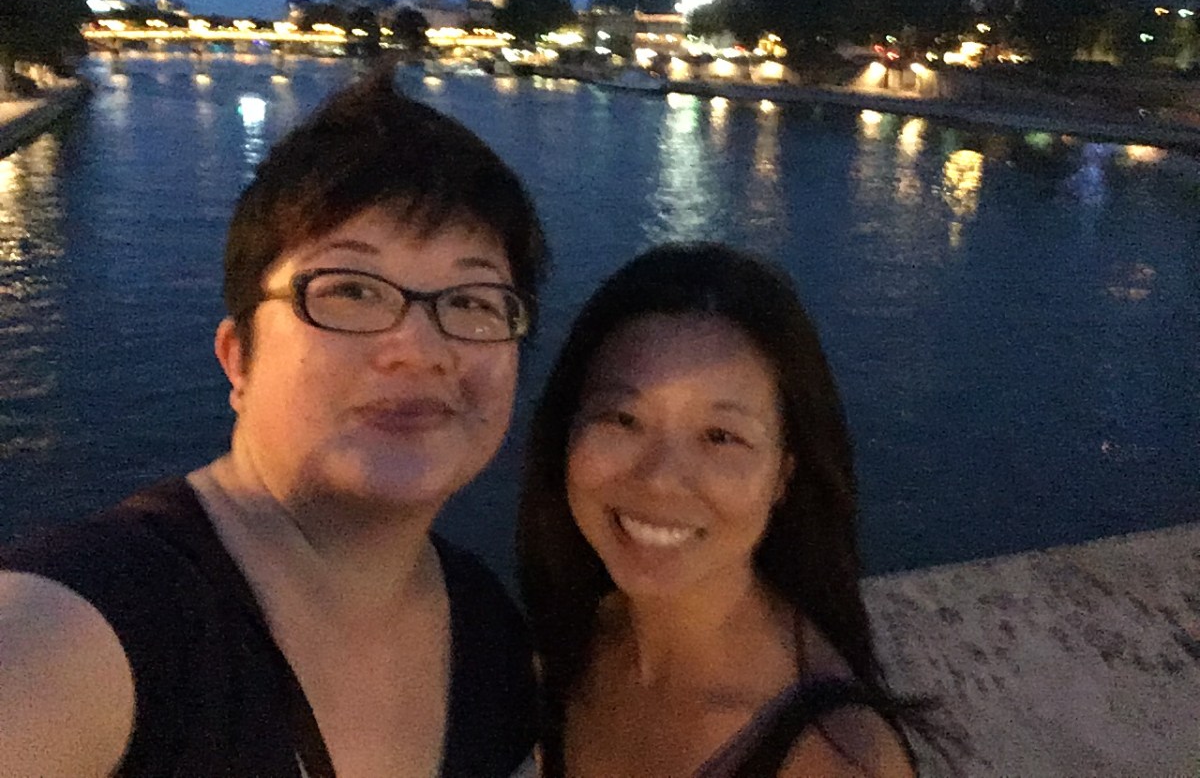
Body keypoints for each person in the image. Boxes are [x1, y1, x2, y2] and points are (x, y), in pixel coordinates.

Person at [0, 68, 547, 777]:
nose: (418, 349)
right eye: (349, 289)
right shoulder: (98, 624)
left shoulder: (487, 631)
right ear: (239, 360)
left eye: (472, 301)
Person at [518, 243, 921, 778]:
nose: (660, 478)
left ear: (783, 474)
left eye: (720, 436)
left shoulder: (826, 761)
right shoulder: (576, 645)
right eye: (622, 418)